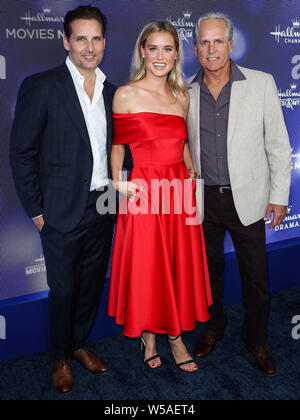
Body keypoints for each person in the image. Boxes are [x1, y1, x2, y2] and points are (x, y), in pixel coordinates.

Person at [9, 6, 115, 393]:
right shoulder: (41, 86)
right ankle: (60, 357)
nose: (89, 47)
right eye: (81, 38)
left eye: (96, 38)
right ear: (66, 41)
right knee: (65, 289)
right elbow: (21, 154)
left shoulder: (111, 91)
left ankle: (80, 344)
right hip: (59, 210)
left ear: (104, 41)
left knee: (90, 286)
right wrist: (37, 211)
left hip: (104, 206)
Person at [186, 12, 291, 376]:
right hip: (204, 201)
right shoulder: (185, 90)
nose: (211, 49)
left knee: (256, 277)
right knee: (207, 274)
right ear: (195, 47)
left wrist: (279, 195)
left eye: (218, 41)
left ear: (230, 45)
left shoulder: (261, 83)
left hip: (248, 198)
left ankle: (256, 340)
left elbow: (278, 145)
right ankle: (214, 329)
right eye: (204, 42)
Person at [108, 21, 212, 373]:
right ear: (142, 51)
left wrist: (192, 172)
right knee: (149, 266)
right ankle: (149, 335)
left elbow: (182, 145)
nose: (160, 56)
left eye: (168, 49)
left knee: (175, 264)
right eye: (153, 48)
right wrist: (117, 182)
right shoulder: (125, 94)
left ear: (176, 55)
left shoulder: (182, 95)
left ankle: (175, 337)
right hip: (145, 190)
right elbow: (118, 147)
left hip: (179, 190)